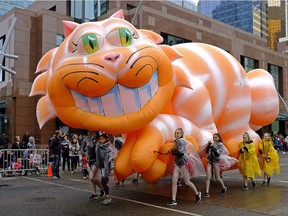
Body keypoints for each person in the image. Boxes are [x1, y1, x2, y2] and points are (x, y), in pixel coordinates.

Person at [167, 128, 202, 206]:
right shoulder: (177, 141)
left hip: (183, 163)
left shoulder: (181, 141)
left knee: (187, 182)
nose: (176, 134)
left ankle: (197, 194)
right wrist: (173, 151)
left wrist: (174, 152)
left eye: (177, 133)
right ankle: (173, 200)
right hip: (177, 163)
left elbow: (181, 153)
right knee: (174, 180)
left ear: (181, 134)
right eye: (175, 133)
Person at [203, 133, 231, 198]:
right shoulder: (212, 144)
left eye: (215, 137)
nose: (214, 138)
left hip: (216, 162)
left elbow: (217, 153)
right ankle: (207, 192)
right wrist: (208, 146)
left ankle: (224, 187)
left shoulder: (220, 144)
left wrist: (212, 147)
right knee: (208, 176)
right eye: (213, 137)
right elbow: (207, 152)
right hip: (210, 161)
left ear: (218, 138)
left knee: (217, 178)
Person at [95, 133, 117, 205]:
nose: (101, 140)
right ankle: (107, 197)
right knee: (103, 182)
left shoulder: (109, 148)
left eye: (102, 139)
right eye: (100, 139)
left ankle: (108, 197)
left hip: (107, 168)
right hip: (103, 168)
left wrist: (112, 169)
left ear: (106, 139)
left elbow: (112, 159)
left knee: (103, 182)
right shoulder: (99, 147)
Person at [87, 132, 104, 200]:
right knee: (91, 178)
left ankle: (102, 188)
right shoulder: (90, 139)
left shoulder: (98, 140)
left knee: (91, 177)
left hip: (96, 161)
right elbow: (88, 149)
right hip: (91, 160)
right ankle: (94, 194)